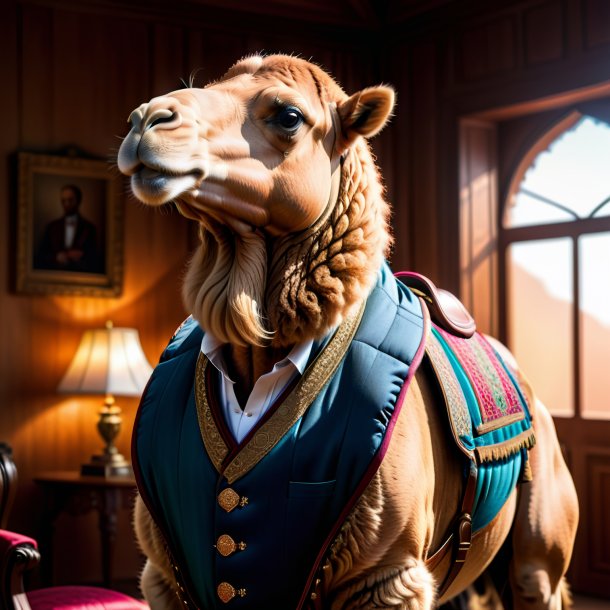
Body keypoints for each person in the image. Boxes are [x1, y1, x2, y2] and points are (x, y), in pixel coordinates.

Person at [35, 184, 102, 272]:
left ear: (78, 201)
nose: (67, 204)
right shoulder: (52, 227)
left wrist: (81, 256)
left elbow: (96, 260)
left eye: (70, 200)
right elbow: (40, 256)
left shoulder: (89, 228)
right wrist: (57, 257)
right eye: (63, 201)